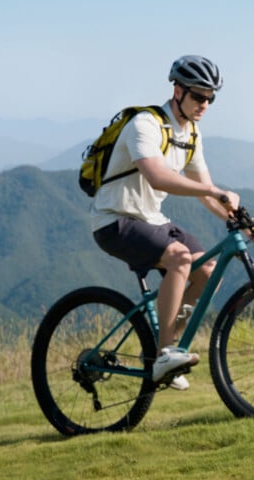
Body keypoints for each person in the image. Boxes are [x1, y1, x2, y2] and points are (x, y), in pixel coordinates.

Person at [91, 55, 240, 390]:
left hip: (152, 221)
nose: (205, 104)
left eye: (210, 98)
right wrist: (214, 191)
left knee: (207, 271)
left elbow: (206, 195)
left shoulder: (191, 135)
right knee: (180, 258)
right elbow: (158, 177)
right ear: (177, 90)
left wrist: (240, 220)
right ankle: (164, 354)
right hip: (115, 220)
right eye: (199, 96)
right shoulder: (146, 124)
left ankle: (170, 343)